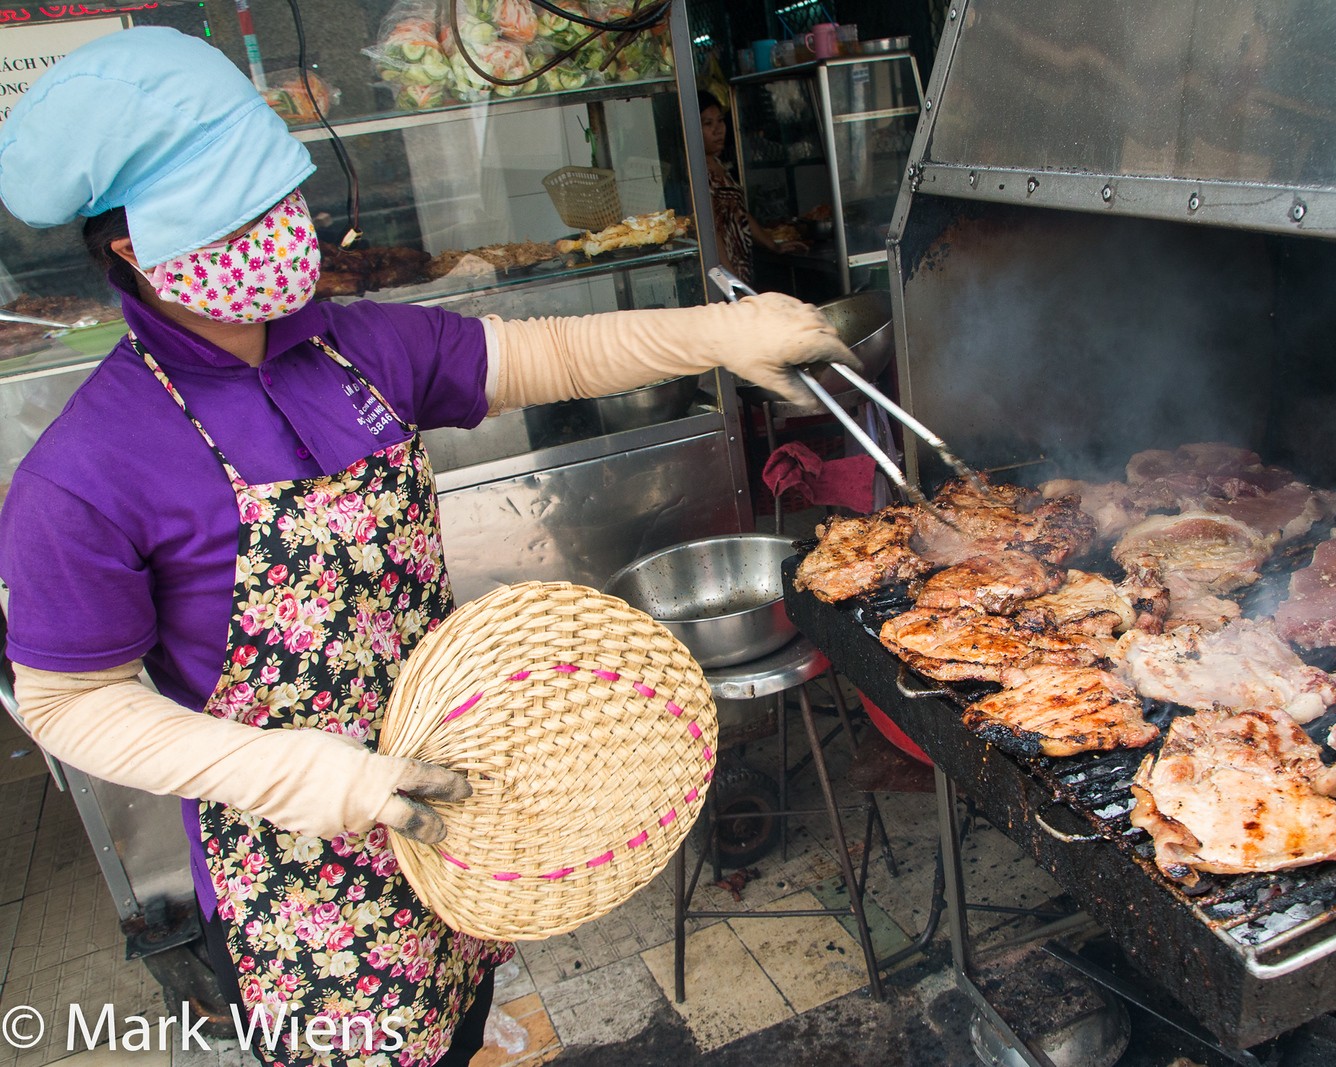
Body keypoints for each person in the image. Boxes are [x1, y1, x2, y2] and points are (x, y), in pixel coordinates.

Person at [0, 27, 856, 1067]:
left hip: (455, 802)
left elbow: (547, 351)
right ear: (135, 248)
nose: (281, 231)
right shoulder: (84, 470)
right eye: (238, 214)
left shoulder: (355, 345)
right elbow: (68, 702)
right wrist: (293, 774)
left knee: (460, 1022)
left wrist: (717, 335)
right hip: (303, 860)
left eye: (279, 197)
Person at [699, 89, 806, 285]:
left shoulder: (718, 166)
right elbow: (712, 235)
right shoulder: (699, 176)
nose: (718, 130)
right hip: (724, 277)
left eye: (720, 121)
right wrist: (732, 286)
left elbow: (740, 214)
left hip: (740, 269)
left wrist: (774, 246)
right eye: (708, 124)